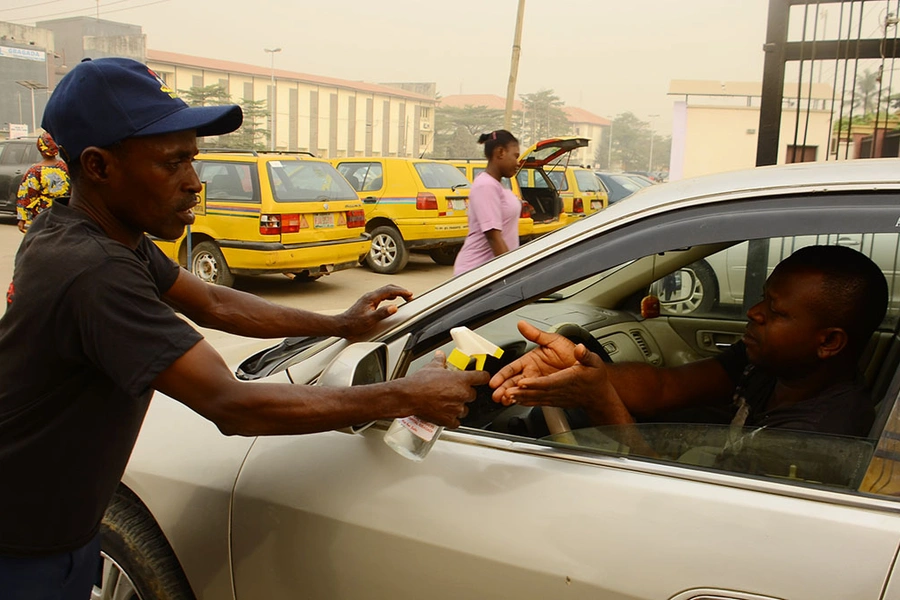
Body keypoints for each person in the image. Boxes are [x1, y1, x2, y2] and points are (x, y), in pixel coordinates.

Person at [0, 57, 488, 600]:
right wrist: (403, 395)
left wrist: (338, 324)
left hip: (49, 530)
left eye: (194, 158)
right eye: (172, 163)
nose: (193, 182)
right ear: (98, 166)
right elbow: (233, 405)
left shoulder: (92, 232)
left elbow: (211, 301)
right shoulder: (94, 270)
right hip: (21, 548)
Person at [491, 245, 889, 438]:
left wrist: (600, 399)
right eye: (764, 297)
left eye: (776, 311)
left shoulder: (820, 432)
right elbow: (666, 387)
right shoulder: (773, 365)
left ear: (829, 342)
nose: (754, 312)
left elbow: (670, 499)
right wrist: (579, 370)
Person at [453, 130, 522, 276]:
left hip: (490, 272)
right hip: (476, 273)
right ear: (500, 152)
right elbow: (493, 236)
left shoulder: (497, 185)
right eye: (515, 156)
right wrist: (511, 275)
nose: (518, 163)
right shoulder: (486, 185)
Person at [16, 132, 70, 233]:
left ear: (40, 149)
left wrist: (22, 219)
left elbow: (26, 195)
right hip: (64, 213)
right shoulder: (65, 168)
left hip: (42, 216)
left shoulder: (35, 171)